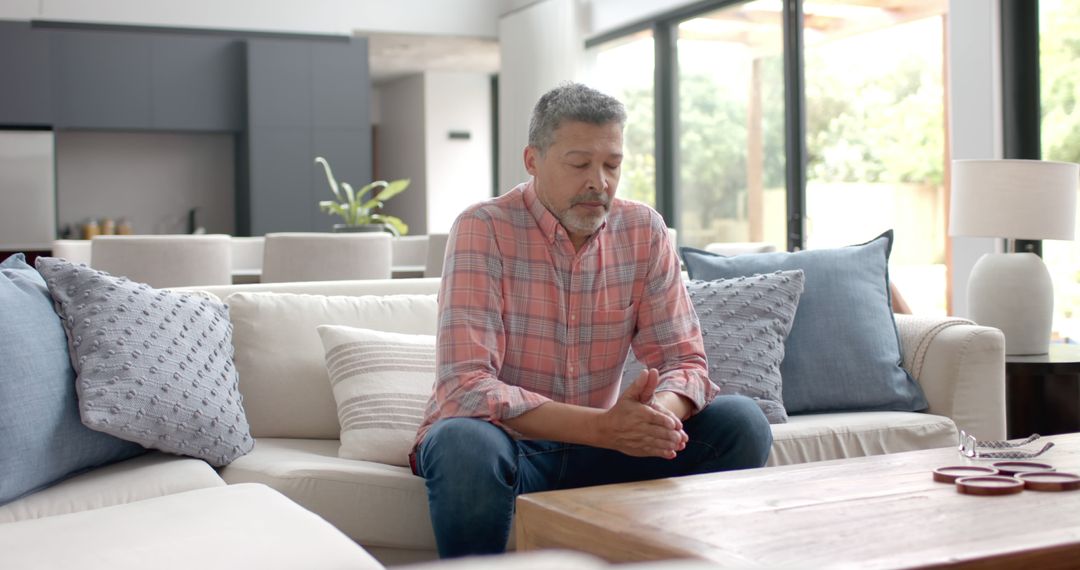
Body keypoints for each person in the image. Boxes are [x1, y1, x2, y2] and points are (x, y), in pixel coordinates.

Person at [412, 83, 773, 558]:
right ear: (533, 160)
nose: (598, 182)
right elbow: (465, 386)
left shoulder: (644, 230)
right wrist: (604, 428)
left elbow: (685, 361)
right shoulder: (484, 228)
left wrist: (656, 417)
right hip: (513, 448)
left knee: (741, 421)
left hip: (611, 449)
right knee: (462, 443)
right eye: (579, 164)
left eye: (612, 165)